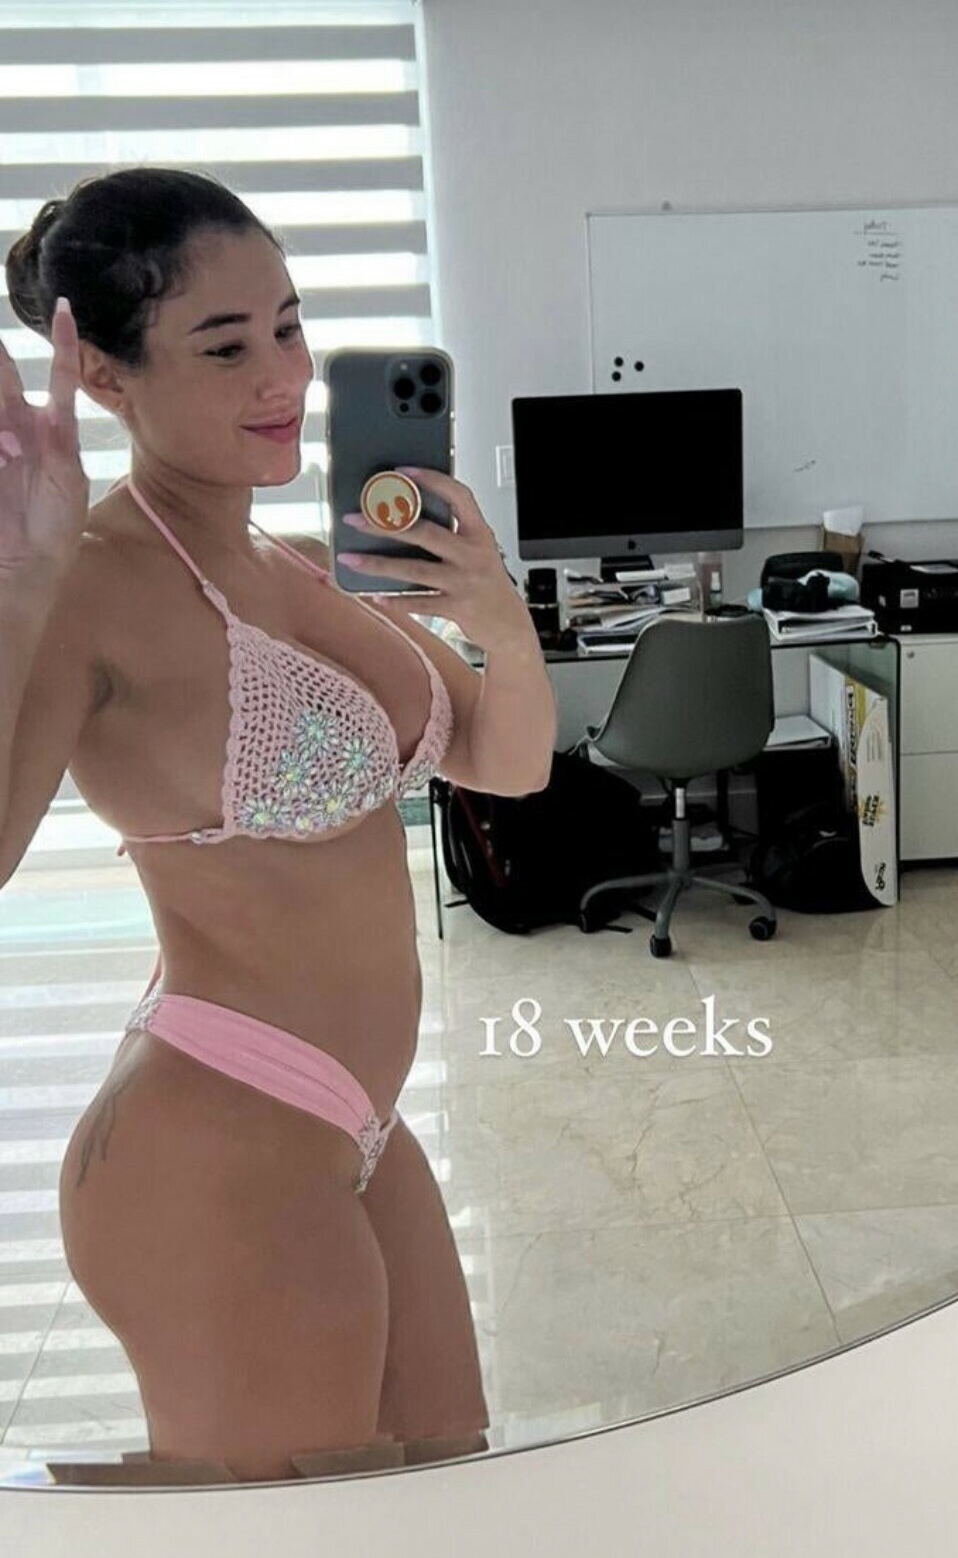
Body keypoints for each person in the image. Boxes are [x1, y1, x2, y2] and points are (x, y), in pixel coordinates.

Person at [0, 167, 557, 1483]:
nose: (285, 376)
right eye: (226, 345)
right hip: (212, 1140)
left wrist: (495, 612)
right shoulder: (92, 581)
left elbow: (509, 761)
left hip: (357, 1122)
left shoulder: (302, 563)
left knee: (439, 1490)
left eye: (291, 327)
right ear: (107, 377)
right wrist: (22, 582)